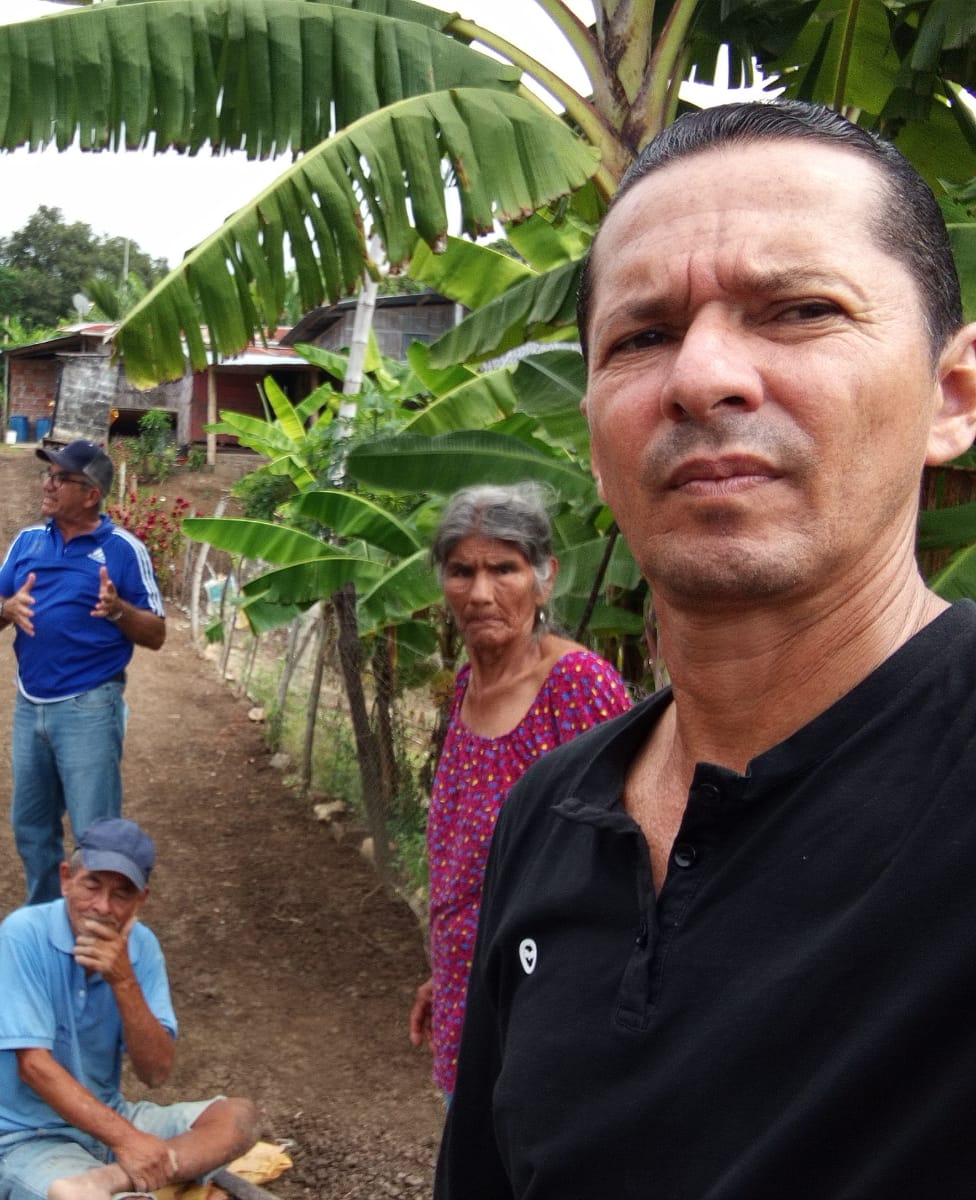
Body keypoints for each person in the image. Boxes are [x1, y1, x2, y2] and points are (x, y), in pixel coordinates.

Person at [436, 99, 976, 1197]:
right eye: (641, 337)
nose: (701, 376)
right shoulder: (550, 815)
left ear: (951, 396)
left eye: (801, 310)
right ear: (595, 445)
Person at [408, 483, 629, 1099]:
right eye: (461, 571)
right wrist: (446, 972)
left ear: (544, 578)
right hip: (466, 993)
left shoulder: (576, 687)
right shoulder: (464, 688)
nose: (480, 594)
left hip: (548, 1004)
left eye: (503, 569)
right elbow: (465, 865)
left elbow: (624, 858)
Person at [0, 817, 260, 1200]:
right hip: (28, 1138)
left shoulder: (143, 947)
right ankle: (123, 1179)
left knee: (239, 1117)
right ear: (66, 878)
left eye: (122, 894)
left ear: (141, 900)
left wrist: (123, 981)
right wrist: (129, 1141)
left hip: (110, 1120)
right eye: (91, 885)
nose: (102, 907)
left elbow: (155, 1071)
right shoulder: (23, 934)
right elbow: (34, 1067)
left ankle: (111, 1180)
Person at [0, 441, 166, 905]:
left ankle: (96, 927)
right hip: (30, 704)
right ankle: (46, 918)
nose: (48, 484)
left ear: (91, 494)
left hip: (90, 707)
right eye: (49, 475)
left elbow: (157, 633)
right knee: (31, 827)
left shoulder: (123, 550)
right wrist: (6, 608)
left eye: (61, 478)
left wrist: (118, 610)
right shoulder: (28, 541)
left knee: (95, 836)